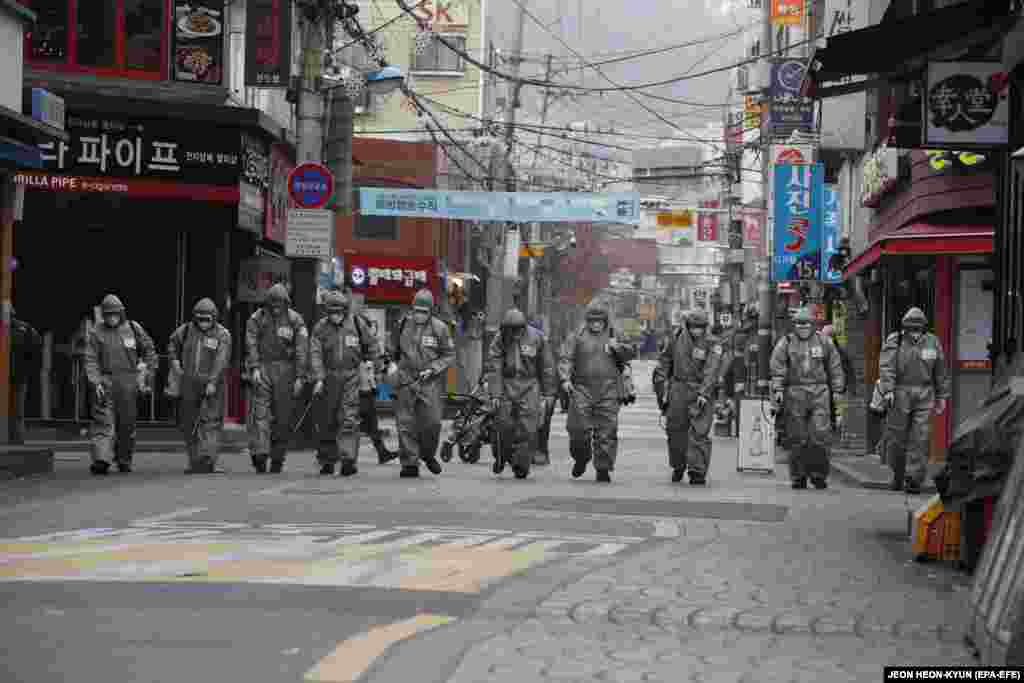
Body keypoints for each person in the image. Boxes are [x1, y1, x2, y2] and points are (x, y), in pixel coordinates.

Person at [559, 302, 637, 483]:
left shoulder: (615, 334)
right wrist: (565, 379)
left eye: (599, 321)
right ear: (587, 321)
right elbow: (566, 358)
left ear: (605, 320)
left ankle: (603, 468)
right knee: (577, 428)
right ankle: (581, 457)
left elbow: (631, 352)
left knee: (606, 430)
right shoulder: (577, 336)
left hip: (609, 388)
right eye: (592, 321)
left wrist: (617, 347)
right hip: (581, 387)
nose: (596, 324)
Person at [770, 307, 845, 489]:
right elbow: (778, 368)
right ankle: (798, 475)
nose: (802, 326)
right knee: (797, 436)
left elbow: (835, 367)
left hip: (820, 392)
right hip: (795, 392)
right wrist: (778, 390)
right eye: (799, 323)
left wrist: (837, 390)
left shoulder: (824, 342)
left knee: (820, 433)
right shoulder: (786, 343)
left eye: (806, 323)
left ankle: (818, 474)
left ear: (813, 324)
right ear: (794, 325)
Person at [878, 307, 950, 494]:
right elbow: (887, 366)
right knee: (897, 436)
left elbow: (940, 370)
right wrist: (888, 390)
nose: (915, 332)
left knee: (921, 437)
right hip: (900, 391)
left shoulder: (933, 342)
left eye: (918, 328)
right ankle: (898, 473)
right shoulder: (896, 340)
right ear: (905, 327)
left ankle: (913, 479)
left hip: (925, 392)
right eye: (911, 328)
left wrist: (942, 396)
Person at [309, 291, 382, 476]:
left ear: (345, 310)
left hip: (351, 377)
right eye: (332, 312)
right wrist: (318, 377)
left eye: (339, 311)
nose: (336, 315)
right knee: (327, 420)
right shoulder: (320, 328)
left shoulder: (357, 324)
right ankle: (327, 459)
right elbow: (315, 354)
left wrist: (375, 366)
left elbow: (372, 346)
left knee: (349, 418)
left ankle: (348, 459)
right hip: (328, 377)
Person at [84, 294, 157, 475]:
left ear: (121, 313)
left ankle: (124, 459)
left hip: (129, 383)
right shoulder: (96, 332)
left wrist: (148, 371)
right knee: (103, 421)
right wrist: (95, 381)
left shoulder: (133, 328)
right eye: (108, 314)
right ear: (103, 314)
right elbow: (90, 359)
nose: (111, 318)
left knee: (127, 424)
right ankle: (101, 459)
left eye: (115, 314)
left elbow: (149, 348)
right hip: (105, 381)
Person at [387, 289, 454, 478]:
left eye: (424, 311)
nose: (419, 315)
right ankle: (409, 463)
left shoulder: (440, 328)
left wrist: (433, 368)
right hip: (405, 379)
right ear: (412, 309)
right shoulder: (402, 325)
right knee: (405, 423)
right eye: (417, 310)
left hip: (429, 382)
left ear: (430, 311)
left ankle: (427, 454)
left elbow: (448, 355)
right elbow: (392, 350)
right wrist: (390, 367)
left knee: (432, 423)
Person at [652, 309, 723, 485]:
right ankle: (678, 465)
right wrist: (661, 389)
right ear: (687, 325)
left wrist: (704, 392)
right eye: (693, 327)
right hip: (678, 389)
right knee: (675, 430)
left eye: (700, 327)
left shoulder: (713, 343)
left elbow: (712, 369)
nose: (696, 331)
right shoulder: (675, 339)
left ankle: (697, 471)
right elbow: (664, 362)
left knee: (699, 433)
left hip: (700, 392)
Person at [245, 283, 309, 474]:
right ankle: (260, 454)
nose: (275, 306)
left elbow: (301, 349)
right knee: (260, 413)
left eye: (279, 302)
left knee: (283, 416)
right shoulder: (257, 318)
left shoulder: (295, 320)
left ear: (286, 302)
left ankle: (278, 456)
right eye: (272, 302)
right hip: (263, 367)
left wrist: (300, 376)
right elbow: (251, 342)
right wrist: (255, 367)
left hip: (286, 370)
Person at [485, 308, 556, 478]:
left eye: (518, 329)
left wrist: (549, 393)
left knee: (529, 428)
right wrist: (495, 394)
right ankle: (501, 456)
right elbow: (494, 368)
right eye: (511, 329)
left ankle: (521, 464)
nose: (514, 333)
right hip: (507, 384)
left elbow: (547, 367)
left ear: (523, 327)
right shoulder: (500, 339)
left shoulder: (537, 338)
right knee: (503, 424)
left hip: (529, 385)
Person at [167, 298, 231, 474]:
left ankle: (208, 460)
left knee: (211, 422)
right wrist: (174, 361)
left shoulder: (222, 334)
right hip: (189, 383)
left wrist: (212, 382)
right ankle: (195, 460)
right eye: (200, 319)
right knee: (190, 423)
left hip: (212, 384)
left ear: (214, 318)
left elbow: (221, 359)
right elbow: (172, 344)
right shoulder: (186, 330)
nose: (203, 323)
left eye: (207, 319)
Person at [359, 317, 397, 464]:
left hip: (367, 388)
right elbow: (377, 368)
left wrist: (383, 392)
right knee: (366, 421)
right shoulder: (364, 344)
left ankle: (382, 452)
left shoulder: (373, 345)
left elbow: (380, 370)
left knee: (371, 422)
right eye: (370, 327)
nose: (372, 331)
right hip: (358, 388)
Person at [9, 308, 42, 444]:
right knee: (18, 412)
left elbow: (36, 346)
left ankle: (16, 440)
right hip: (20, 375)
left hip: (17, 375)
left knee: (17, 412)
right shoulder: (26, 328)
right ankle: (17, 440)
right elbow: (37, 346)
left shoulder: (24, 328)